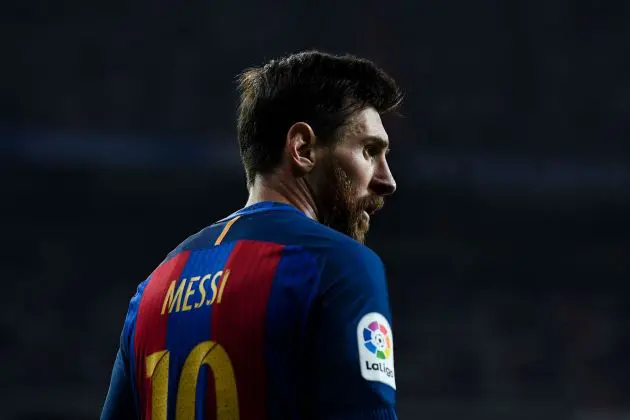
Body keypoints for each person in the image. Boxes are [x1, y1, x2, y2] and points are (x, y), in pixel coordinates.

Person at [101, 50, 403, 420]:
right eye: (369, 150)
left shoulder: (152, 289)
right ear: (303, 148)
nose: (387, 180)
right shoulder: (338, 266)